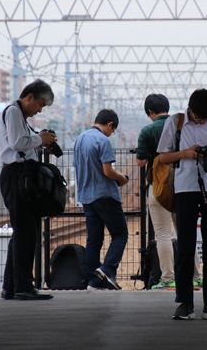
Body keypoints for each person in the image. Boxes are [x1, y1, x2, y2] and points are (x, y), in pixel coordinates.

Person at [157, 88, 207, 321]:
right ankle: (184, 303)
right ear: (191, 110)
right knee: (185, 248)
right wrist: (185, 153)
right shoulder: (176, 122)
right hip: (185, 190)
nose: (203, 120)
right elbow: (163, 157)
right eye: (200, 117)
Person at [0, 79, 57, 301]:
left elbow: (22, 141)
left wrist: (40, 141)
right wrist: (40, 138)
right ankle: (23, 286)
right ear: (29, 97)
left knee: (24, 231)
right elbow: (16, 142)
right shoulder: (13, 112)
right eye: (40, 104)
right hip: (16, 175)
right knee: (25, 232)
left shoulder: (19, 116)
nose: (39, 109)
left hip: (20, 175)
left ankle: (11, 286)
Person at [134, 94, 202, 290]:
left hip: (159, 187)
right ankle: (196, 277)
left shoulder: (148, 130)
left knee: (163, 234)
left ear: (150, 112)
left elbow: (140, 162)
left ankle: (168, 279)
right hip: (183, 185)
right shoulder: (181, 126)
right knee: (185, 233)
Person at [73, 109, 129, 291]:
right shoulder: (103, 140)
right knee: (120, 234)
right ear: (110, 124)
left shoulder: (80, 139)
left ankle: (93, 281)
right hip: (105, 194)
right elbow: (108, 171)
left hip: (87, 196)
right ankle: (108, 269)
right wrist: (121, 178)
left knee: (94, 239)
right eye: (112, 130)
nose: (111, 134)